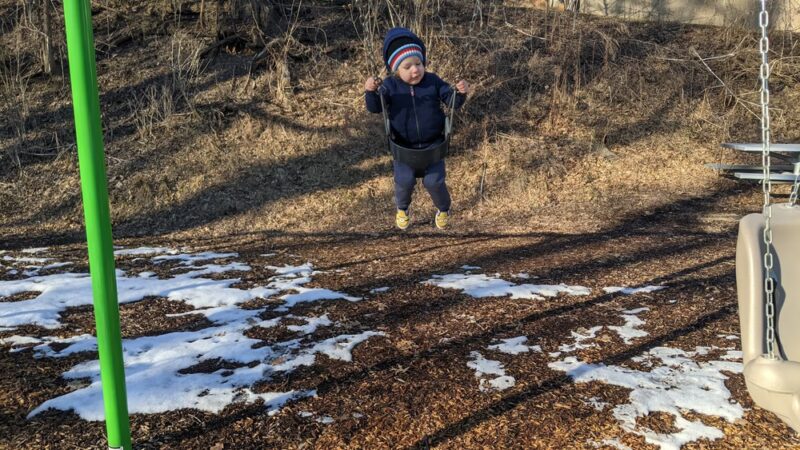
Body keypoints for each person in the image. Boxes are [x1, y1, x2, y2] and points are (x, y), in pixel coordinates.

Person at [364, 27, 470, 230]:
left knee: (434, 182)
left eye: (418, 63)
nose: (415, 70)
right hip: (403, 147)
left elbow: (452, 101)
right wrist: (370, 91)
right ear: (396, 70)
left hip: (433, 145)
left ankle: (444, 209)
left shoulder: (432, 81)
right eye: (408, 66)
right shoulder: (389, 86)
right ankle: (402, 209)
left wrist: (460, 92)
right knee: (404, 181)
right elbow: (375, 107)